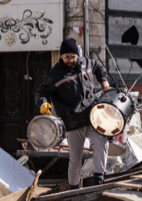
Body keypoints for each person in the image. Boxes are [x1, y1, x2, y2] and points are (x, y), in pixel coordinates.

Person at [35, 38, 110, 189]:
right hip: (72, 121)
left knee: (102, 143)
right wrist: (43, 103)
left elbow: (98, 66)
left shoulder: (86, 63)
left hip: (91, 116)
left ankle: (98, 179)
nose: (70, 60)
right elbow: (41, 91)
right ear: (61, 56)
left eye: (73, 57)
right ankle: (74, 189)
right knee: (76, 158)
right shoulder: (54, 74)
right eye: (67, 57)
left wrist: (103, 80)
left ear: (77, 55)